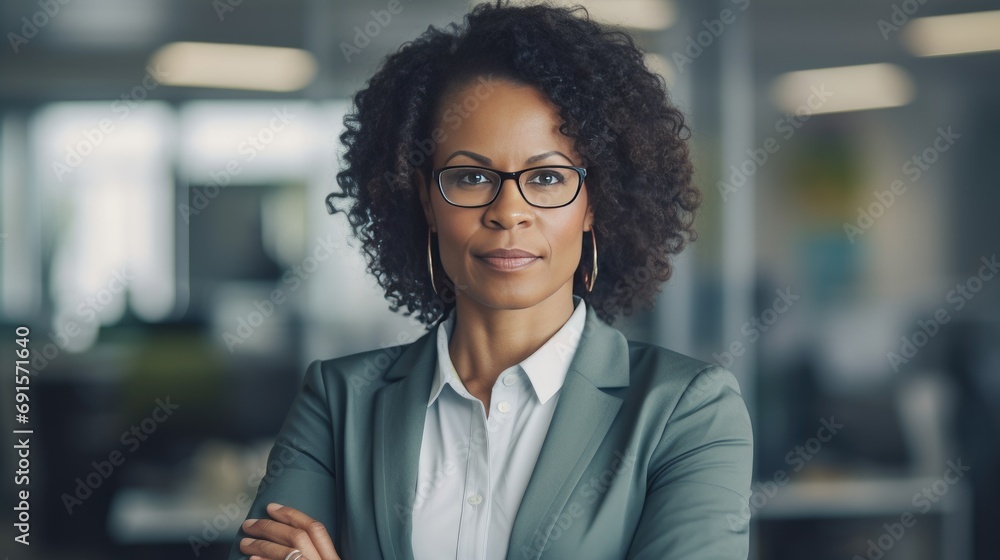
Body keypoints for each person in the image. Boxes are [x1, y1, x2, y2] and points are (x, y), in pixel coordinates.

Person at [229, 1, 753, 559]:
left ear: (596, 202)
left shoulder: (687, 411)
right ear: (427, 200)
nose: (508, 211)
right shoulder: (339, 403)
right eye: (472, 176)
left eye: (548, 177)